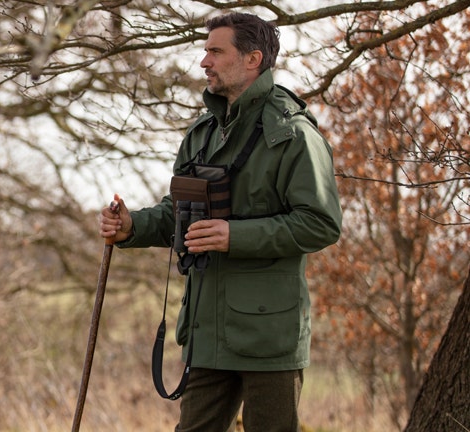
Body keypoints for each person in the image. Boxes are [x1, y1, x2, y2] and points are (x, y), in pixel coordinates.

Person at [98, 12, 343, 432]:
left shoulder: (294, 135)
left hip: (269, 336)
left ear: (253, 58)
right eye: (205, 50)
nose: (203, 61)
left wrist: (235, 236)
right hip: (206, 333)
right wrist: (132, 227)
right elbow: (180, 213)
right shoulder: (201, 133)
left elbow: (320, 224)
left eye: (215, 51)